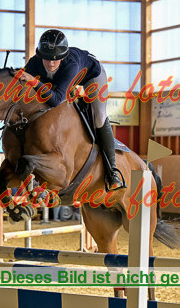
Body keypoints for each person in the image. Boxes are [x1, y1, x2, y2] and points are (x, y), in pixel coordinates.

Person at [19, 29, 125, 191]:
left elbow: (55, 99)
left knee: (99, 117)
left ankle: (113, 171)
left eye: (56, 59)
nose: (51, 63)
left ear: (63, 57)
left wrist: (34, 81)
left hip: (91, 76)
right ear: (40, 56)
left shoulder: (71, 64)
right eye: (47, 58)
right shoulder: (34, 63)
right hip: (65, 80)